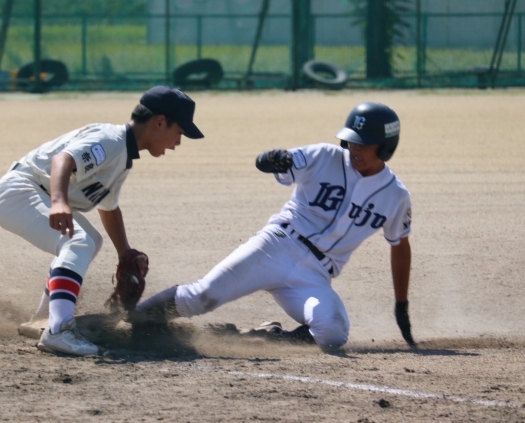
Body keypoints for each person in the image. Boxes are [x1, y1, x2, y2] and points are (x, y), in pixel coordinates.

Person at [129, 102, 416, 350]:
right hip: (275, 246)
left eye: (365, 143)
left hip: (314, 276)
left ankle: (267, 337)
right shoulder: (324, 156)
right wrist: (271, 160)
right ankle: (130, 322)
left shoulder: (395, 196)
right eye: (352, 140)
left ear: (386, 146)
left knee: (333, 333)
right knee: (202, 296)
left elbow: (400, 247)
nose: (355, 148)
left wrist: (401, 306)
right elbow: (277, 162)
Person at [0, 86, 204, 356]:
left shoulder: (122, 156)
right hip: (19, 192)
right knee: (78, 242)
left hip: (31, 192)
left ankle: (43, 319)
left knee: (92, 240)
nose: (178, 142)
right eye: (179, 132)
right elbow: (63, 160)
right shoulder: (111, 140)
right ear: (160, 123)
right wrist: (59, 201)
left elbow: (109, 208)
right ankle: (58, 330)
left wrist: (124, 252)